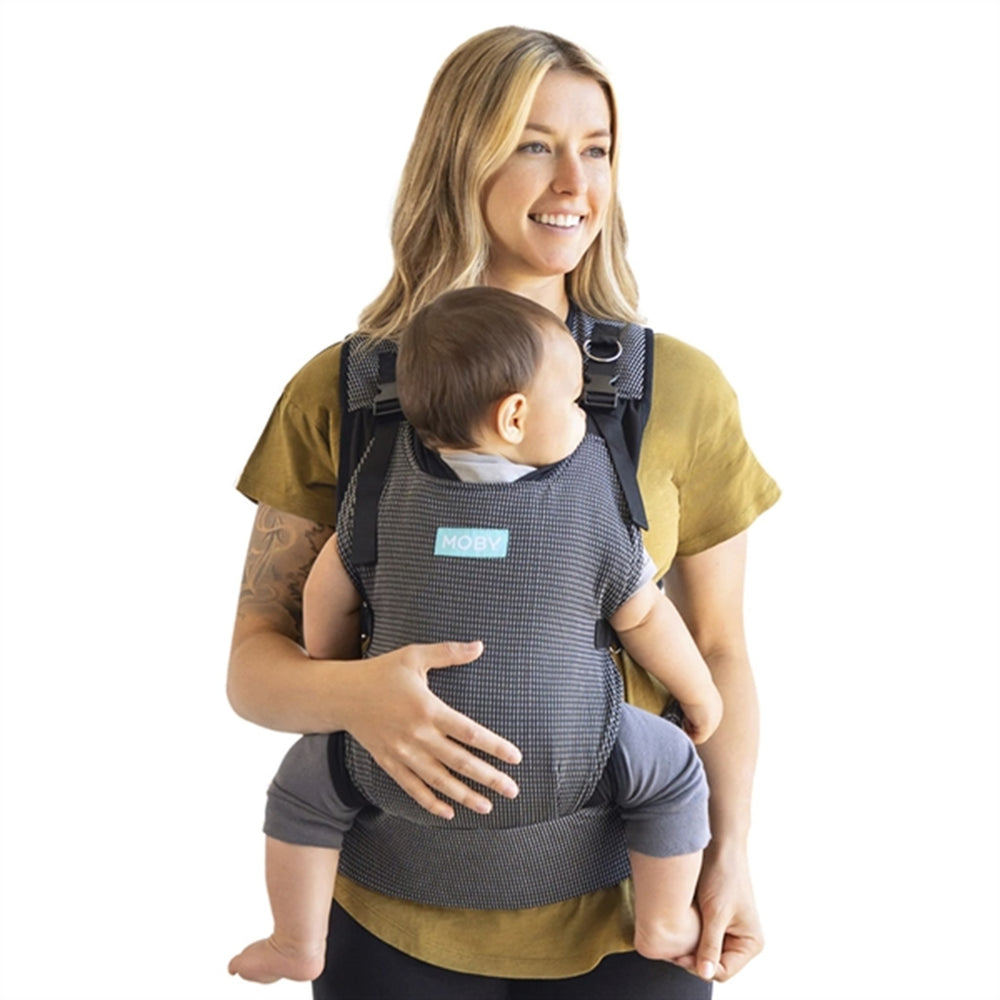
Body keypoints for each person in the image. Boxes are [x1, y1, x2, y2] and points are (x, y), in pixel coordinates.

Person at [228, 25, 780, 999]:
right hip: (392, 922)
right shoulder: (345, 393)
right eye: (533, 144)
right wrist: (357, 694)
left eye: (596, 148)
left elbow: (719, 650)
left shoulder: (679, 392)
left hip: (629, 928)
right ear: (460, 160)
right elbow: (254, 671)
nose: (574, 182)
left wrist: (728, 855)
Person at [228, 287, 724, 985]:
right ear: (515, 416)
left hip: (388, 763)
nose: (584, 415)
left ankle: (296, 939)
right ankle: (665, 919)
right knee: (671, 771)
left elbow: (326, 596)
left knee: (302, 792)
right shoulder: (590, 505)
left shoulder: (381, 492)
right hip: (574, 750)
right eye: (573, 402)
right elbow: (645, 618)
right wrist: (699, 697)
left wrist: (345, 684)